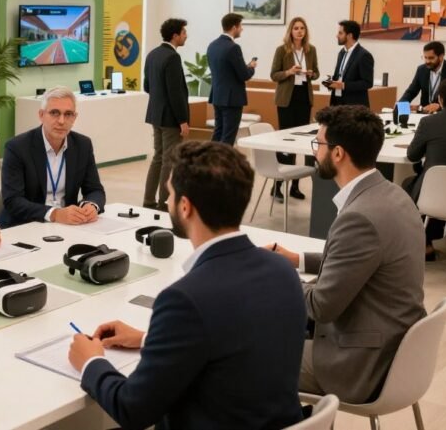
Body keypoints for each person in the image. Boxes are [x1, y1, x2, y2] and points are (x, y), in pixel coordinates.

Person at [68, 141, 306, 430]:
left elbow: (133, 410)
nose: (167, 201)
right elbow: (229, 339)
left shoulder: (184, 300)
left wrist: (91, 363)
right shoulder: (282, 269)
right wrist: (149, 340)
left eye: (169, 194)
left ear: (185, 206)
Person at [267, 105, 425, 404]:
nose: (315, 152)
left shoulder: (360, 217)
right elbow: (359, 260)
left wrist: (275, 274)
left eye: (319, 144)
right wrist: (297, 259)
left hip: (357, 363)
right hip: (392, 345)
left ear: (337, 153)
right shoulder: (392, 195)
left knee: (243, 355)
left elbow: (321, 307)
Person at [0, 86, 106, 229]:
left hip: (67, 226)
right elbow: (13, 201)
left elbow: (95, 190)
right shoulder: (17, 147)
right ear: (41, 115)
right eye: (55, 113)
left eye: (68, 114)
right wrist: (54, 214)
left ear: (74, 118)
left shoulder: (83, 145)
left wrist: (91, 205)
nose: (61, 121)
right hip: (25, 226)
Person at [406, 77, 446, 259]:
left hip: (432, 195)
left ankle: (426, 244)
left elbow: (412, 155)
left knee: (408, 184)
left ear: (440, 100)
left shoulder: (429, 123)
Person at [270, 16, 320, 202]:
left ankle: (295, 187)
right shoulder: (282, 50)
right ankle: (277, 185)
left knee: (301, 143)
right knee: (285, 143)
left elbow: (316, 72)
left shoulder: (311, 50)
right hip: (286, 100)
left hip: (304, 98)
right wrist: (290, 72)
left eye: (302, 28)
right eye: (296, 28)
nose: (300, 31)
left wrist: (312, 74)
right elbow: (274, 75)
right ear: (290, 31)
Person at [142, 18, 190, 211]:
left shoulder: (152, 54)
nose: (186, 35)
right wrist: (183, 121)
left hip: (155, 115)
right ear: (175, 35)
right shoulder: (172, 57)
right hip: (170, 119)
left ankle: (148, 201)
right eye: (184, 32)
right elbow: (175, 93)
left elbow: (147, 86)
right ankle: (163, 204)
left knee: (158, 158)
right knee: (168, 161)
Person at [207, 13, 256, 145]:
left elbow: (226, 71)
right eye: (240, 26)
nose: (242, 29)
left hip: (217, 96)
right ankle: (223, 165)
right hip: (232, 99)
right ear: (234, 27)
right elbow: (244, 75)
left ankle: (209, 162)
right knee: (228, 136)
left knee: (218, 132)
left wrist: (245, 68)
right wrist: (251, 67)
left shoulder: (212, 45)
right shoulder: (233, 47)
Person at [399, 41, 446, 113]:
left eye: (431, 58)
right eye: (425, 57)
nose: (427, 61)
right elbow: (411, 92)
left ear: (441, 57)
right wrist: (402, 107)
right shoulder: (421, 70)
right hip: (424, 114)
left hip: (444, 114)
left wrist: (439, 106)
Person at [328, 20, 373, 107]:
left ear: (349, 35)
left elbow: (367, 83)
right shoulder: (341, 53)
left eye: (340, 33)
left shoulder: (364, 55)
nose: (337, 36)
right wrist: (330, 82)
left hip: (354, 107)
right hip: (337, 103)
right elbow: (340, 76)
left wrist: (344, 85)